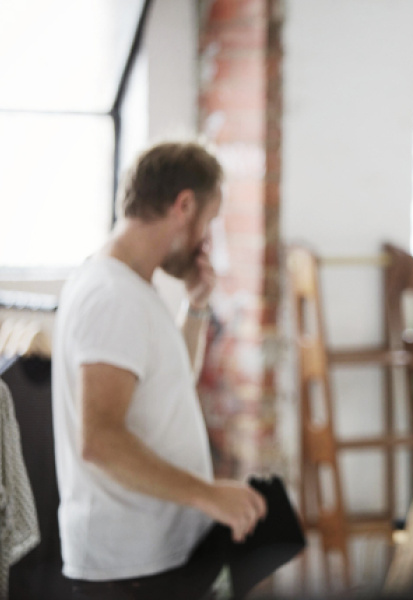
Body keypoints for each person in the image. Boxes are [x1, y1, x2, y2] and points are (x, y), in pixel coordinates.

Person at [52, 141, 268, 598]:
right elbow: (100, 441)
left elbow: (170, 387)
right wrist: (209, 494)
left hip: (152, 562)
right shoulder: (113, 296)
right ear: (183, 205)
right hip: (131, 571)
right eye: (208, 222)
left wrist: (197, 305)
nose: (207, 241)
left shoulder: (129, 287)